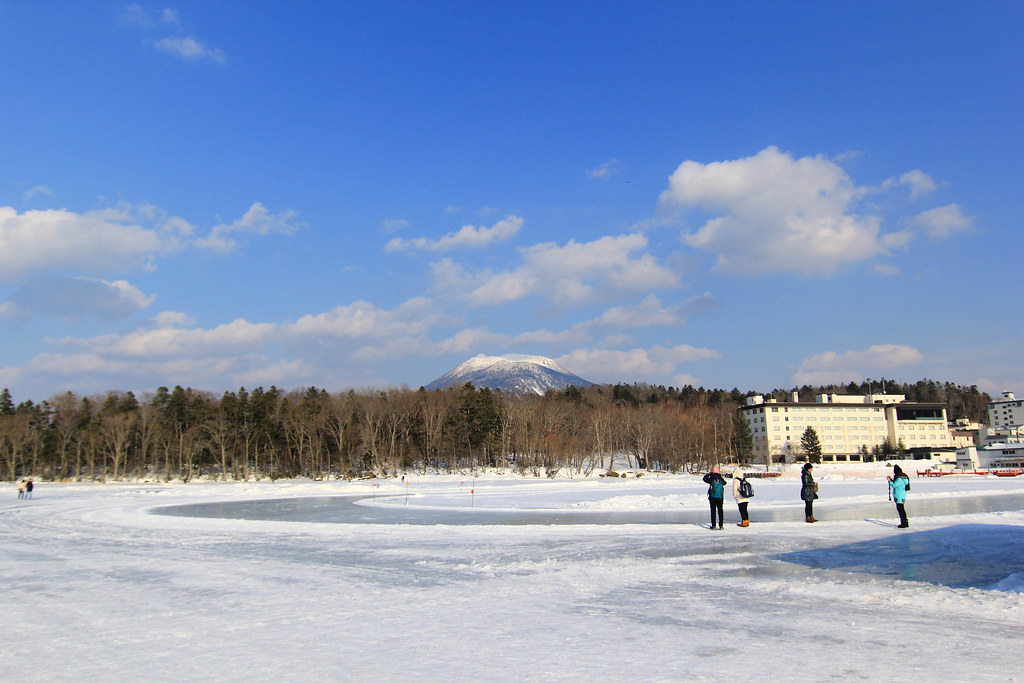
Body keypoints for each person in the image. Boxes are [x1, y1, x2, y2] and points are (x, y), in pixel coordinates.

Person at [702, 465, 727, 530]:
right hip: (720, 497)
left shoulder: (711, 478)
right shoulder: (720, 479)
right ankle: (721, 525)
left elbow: (704, 479)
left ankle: (714, 525)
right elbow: (725, 483)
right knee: (720, 510)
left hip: (712, 497)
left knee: (713, 511)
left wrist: (709, 474)